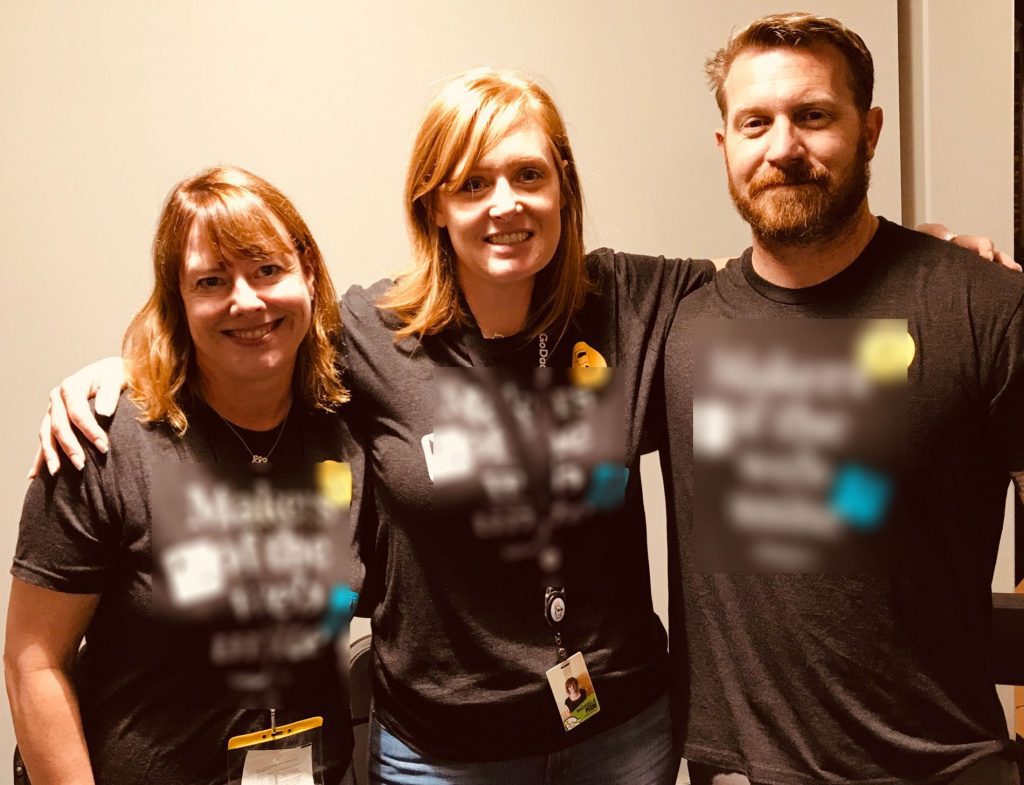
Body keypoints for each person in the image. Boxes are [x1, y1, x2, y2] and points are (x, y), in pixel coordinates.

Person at [25, 68, 1016, 785]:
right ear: (435, 205)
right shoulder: (370, 333)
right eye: (471, 183)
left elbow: (792, 275)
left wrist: (925, 256)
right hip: (443, 752)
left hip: (621, 728)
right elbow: (250, 316)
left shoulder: (637, 304)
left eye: (528, 176)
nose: (504, 204)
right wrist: (126, 363)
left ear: (562, 189)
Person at [661, 13, 1024, 785]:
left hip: (944, 767)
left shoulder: (982, 306)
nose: (782, 147)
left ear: (870, 131)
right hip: (742, 774)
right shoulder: (681, 325)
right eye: (755, 122)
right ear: (725, 149)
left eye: (814, 115)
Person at [5, 166, 363, 785]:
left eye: (267, 269)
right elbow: (33, 662)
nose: (246, 300)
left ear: (307, 272)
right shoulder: (105, 441)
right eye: (211, 281)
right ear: (179, 300)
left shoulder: (351, 429)